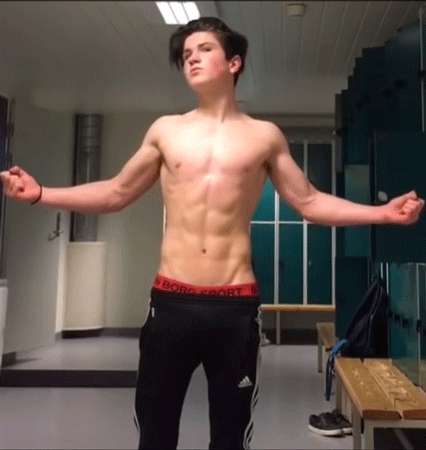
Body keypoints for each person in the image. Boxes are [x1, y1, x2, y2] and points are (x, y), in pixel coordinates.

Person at [0, 16, 424, 450]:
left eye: (204, 50)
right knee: (155, 436)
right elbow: (116, 192)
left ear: (234, 62)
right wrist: (41, 194)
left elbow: (309, 201)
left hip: (234, 308)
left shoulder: (263, 136)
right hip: (171, 303)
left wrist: (382, 214)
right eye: (186, 54)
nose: (192, 59)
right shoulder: (166, 131)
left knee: (229, 439)